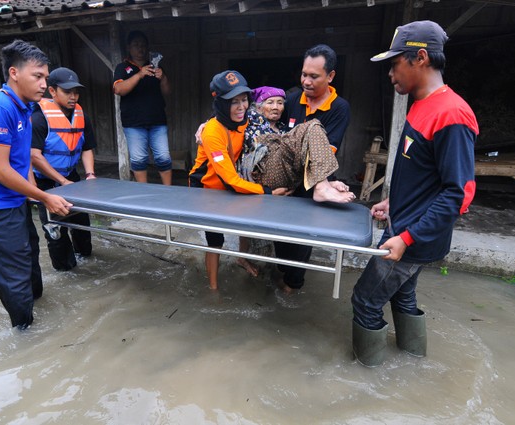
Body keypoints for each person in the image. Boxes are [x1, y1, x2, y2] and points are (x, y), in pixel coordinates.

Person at [351, 21, 478, 367]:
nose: (391, 73)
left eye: (395, 64)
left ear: (420, 58)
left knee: (364, 300)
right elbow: (427, 174)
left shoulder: (451, 114)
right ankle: (413, 367)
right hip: (406, 226)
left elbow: (458, 193)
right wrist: (395, 202)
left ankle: (368, 380)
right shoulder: (421, 104)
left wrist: (407, 237)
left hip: (412, 239)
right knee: (402, 296)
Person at [189, 71, 354, 290]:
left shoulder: (246, 119)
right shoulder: (212, 132)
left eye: (243, 100)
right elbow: (228, 178)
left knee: (313, 126)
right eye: (233, 102)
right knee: (215, 240)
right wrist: (266, 191)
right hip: (208, 191)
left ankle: (321, 183)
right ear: (219, 102)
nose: (240, 106)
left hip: (237, 186)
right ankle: (213, 288)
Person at [0, 40, 72, 330]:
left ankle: (33, 316)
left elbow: (22, 160)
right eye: (38, 76)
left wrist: (35, 194)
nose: (43, 83)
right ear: (14, 73)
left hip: (13, 201)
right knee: (15, 274)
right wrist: (44, 197)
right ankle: (25, 337)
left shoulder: (23, 107)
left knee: (29, 257)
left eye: (46, 77)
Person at [275, 44, 352, 294]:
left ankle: (292, 285)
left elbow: (327, 150)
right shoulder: (289, 99)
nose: (306, 81)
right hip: (285, 177)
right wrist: (210, 124)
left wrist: (325, 181)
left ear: (330, 76)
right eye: (304, 74)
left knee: (303, 237)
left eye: (314, 76)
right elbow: (256, 116)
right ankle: (282, 271)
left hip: (312, 180)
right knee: (279, 232)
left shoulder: (339, 108)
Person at [31, 67, 97, 271]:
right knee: (55, 231)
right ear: (52, 91)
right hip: (46, 183)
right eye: (67, 92)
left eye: (76, 92)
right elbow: (34, 155)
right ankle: (65, 268)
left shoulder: (80, 115)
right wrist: (61, 181)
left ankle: (83, 255)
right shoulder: (39, 118)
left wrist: (90, 174)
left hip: (72, 178)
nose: (73, 96)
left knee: (83, 229)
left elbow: (86, 148)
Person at [113, 30, 172, 185]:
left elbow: (167, 92)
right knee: (139, 160)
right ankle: (142, 193)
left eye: (143, 45)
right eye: (136, 45)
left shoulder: (155, 66)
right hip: (133, 122)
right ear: (129, 48)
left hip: (157, 120)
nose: (141, 49)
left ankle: (169, 191)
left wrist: (163, 77)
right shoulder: (122, 67)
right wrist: (139, 75)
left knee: (163, 158)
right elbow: (118, 90)